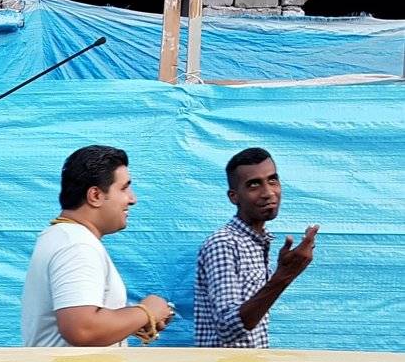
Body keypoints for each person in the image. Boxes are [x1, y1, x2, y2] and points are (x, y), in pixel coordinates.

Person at [20, 144, 175, 347]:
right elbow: (83, 329)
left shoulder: (63, 237)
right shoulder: (76, 246)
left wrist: (132, 321)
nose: (132, 199)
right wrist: (146, 312)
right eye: (124, 188)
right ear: (95, 196)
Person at [193, 147, 318, 348]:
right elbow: (228, 328)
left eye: (272, 180)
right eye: (254, 185)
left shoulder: (258, 242)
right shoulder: (224, 244)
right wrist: (284, 276)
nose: (268, 193)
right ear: (234, 197)